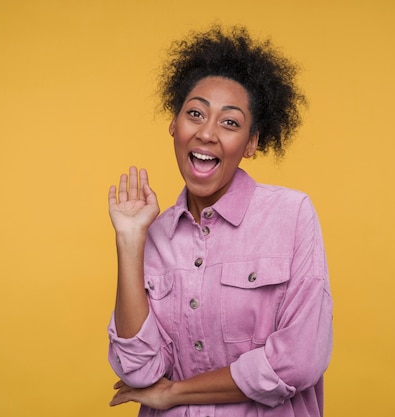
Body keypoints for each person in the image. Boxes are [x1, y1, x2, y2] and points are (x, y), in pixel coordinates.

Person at [107, 25, 333, 416]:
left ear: (251, 143)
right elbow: (139, 369)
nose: (207, 133)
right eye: (195, 114)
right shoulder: (155, 234)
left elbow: (300, 359)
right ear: (174, 125)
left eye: (230, 123)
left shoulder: (291, 215)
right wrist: (130, 242)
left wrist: (176, 393)